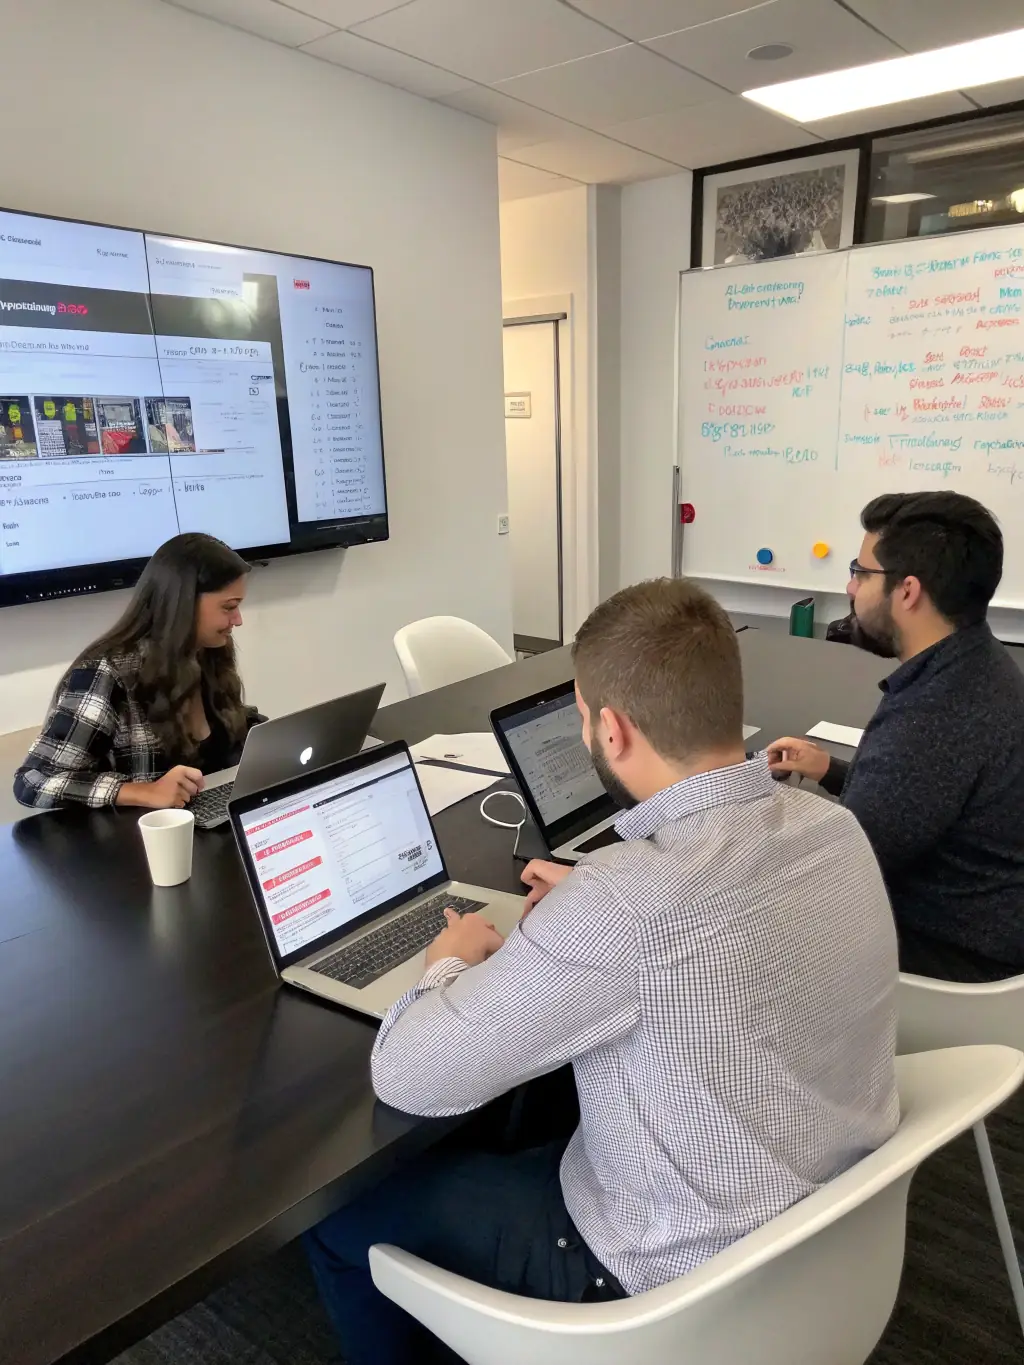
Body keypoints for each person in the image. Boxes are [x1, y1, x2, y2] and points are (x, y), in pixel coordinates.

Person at [305, 577, 899, 1365]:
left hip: (653, 1280)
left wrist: (446, 965)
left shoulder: (626, 904)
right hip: (830, 1235)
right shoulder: (834, 825)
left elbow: (408, 1074)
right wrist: (594, 908)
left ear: (610, 730)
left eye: (581, 714)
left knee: (337, 1221)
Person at [767, 491, 1024, 982]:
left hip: (953, 963)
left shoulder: (936, 713)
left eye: (860, 572)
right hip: (983, 928)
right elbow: (921, 802)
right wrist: (835, 772)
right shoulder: (977, 664)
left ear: (907, 591)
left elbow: (837, 867)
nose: (849, 586)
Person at [15, 532, 259, 810]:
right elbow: (34, 781)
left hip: (212, 826)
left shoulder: (210, 653)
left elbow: (224, 740)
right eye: (229, 607)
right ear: (183, 604)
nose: (237, 620)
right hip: (140, 841)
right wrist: (143, 792)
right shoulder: (107, 673)